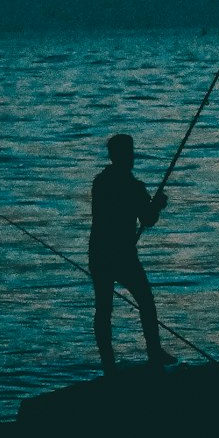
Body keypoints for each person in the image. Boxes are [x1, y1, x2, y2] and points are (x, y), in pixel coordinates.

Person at [89, 134, 175, 375]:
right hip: (122, 255)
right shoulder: (133, 187)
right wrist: (156, 205)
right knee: (146, 302)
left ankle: (108, 363)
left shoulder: (100, 183)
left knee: (103, 308)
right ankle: (154, 352)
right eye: (129, 153)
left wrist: (150, 205)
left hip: (99, 253)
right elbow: (147, 219)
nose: (132, 157)